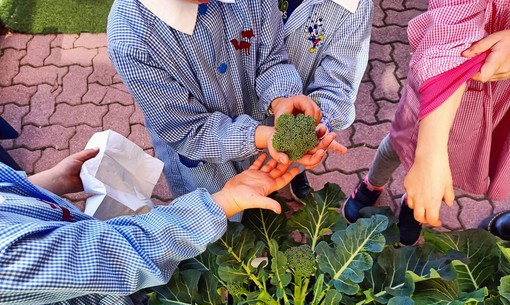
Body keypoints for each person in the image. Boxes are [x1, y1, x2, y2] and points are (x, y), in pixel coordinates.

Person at [0, 148, 299, 305]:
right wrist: (225, 202)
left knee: (140, 295)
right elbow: (112, 254)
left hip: (81, 279)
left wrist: (47, 182)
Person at [107, 0, 344, 208]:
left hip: (259, 147)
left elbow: (271, 57)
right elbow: (189, 130)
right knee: (219, 235)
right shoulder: (130, 37)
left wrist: (281, 99)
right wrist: (262, 137)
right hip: (202, 171)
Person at [343, 1, 510, 245]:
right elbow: (450, 27)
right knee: (397, 145)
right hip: (434, 85)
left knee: (448, 165)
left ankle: (413, 205)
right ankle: (372, 184)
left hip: (496, 100)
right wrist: (430, 153)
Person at [278, 0, 373, 201]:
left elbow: (338, 84)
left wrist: (318, 121)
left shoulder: (356, 7)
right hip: (237, 107)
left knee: (298, 150)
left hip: (302, 111)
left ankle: (296, 169)